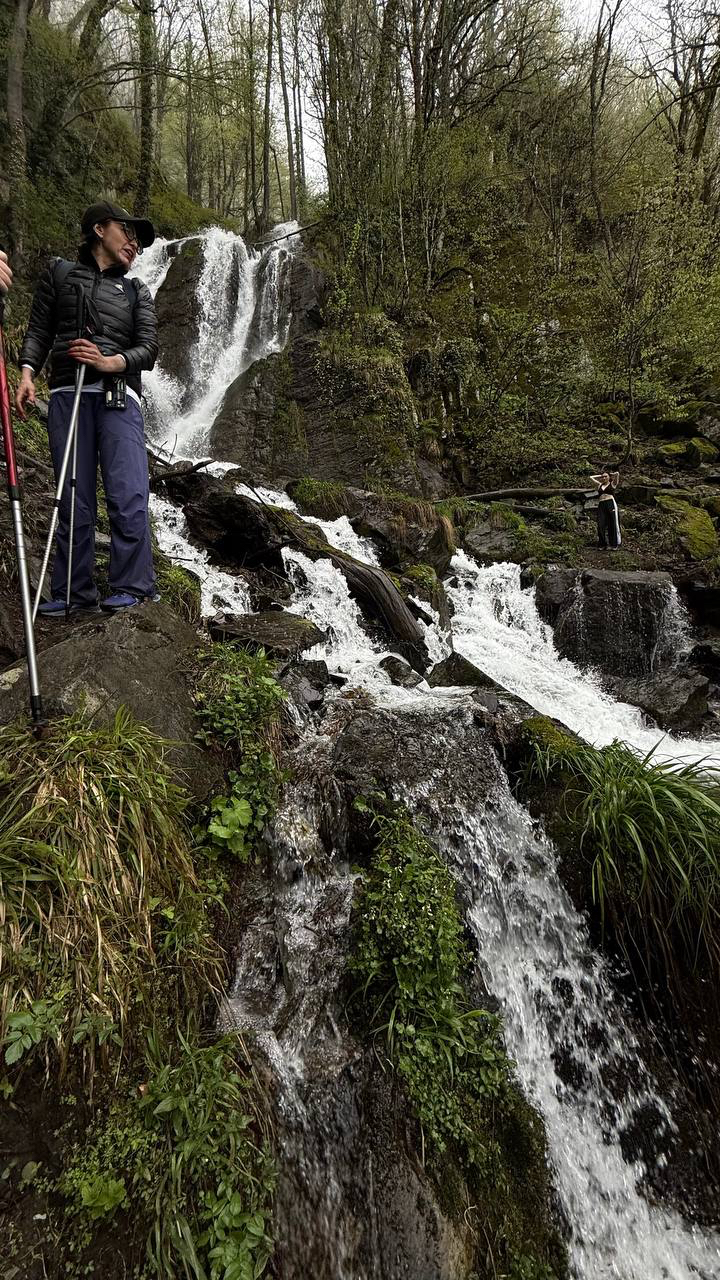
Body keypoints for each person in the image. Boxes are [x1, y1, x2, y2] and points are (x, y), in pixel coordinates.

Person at [16, 200, 159, 615]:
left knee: (128, 491)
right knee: (71, 495)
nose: (135, 243)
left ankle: (133, 587)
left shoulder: (136, 290)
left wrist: (111, 361)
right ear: (99, 229)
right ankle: (71, 592)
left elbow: (149, 348)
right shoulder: (59, 273)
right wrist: (27, 373)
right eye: (127, 232)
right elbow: (40, 328)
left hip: (118, 395)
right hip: (66, 393)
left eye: (139, 240)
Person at [590, 468, 621, 549]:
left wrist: (612, 474)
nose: (604, 478)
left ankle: (613, 545)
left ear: (609, 477)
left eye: (605, 476)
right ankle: (602, 544)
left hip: (610, 503)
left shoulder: (612, 484)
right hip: (601, 504)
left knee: (612, 523)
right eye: (602, 477)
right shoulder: (600, 485)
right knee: (600, 524)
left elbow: (617, 473)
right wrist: (600, 475)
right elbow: (591, 477)